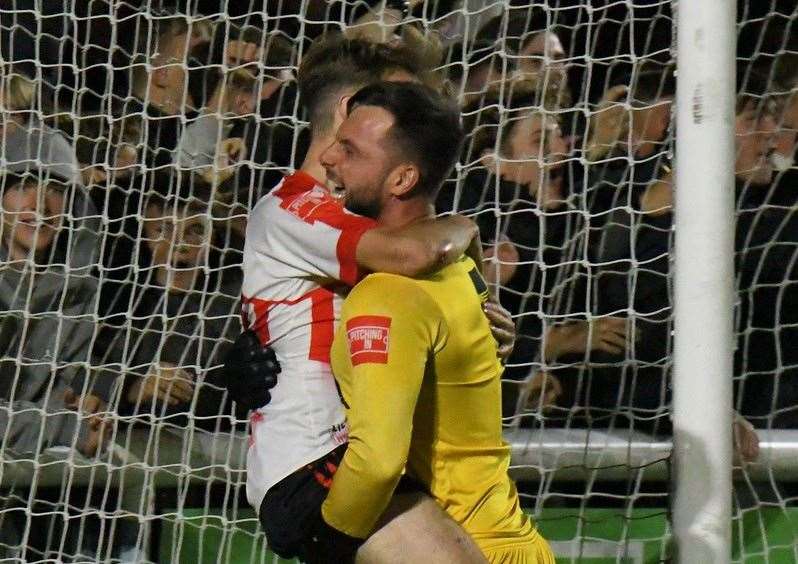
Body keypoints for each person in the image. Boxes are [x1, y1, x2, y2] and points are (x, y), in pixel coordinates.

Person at [235, 34, 514, 563]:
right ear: (350, 111)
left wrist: (482, 312)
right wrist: (463, 226)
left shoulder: (371, 207)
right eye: (396, 101)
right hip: (316, 459)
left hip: (371, 454)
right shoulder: (294, 208)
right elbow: (413, 254)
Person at [318, 80, 554, 563]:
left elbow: (378, 462)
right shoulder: (457, 267)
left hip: (457, 547)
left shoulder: (387, 295)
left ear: (402, 179)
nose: (328, 159)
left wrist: (326, 538)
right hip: (507, 540)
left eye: (349, 150)